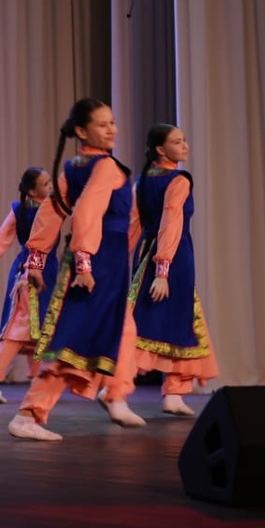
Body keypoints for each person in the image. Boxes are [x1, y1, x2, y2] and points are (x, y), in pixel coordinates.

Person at [9, 98, 143, 441]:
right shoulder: (105, 167)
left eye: (112, 122)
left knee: (124, 328)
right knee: (72, 341)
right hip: (96, 261)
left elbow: (52, 211)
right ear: (82, 131)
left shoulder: (75, 166)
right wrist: (83, 262)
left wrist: (36, 260)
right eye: (102, 124)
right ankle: (28, 414)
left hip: (108, 260)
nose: (111, 129)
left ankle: (116, 394)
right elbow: (83, 212)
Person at [111, 124, 218, 415]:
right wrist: (163, 271)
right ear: (161, 149)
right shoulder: (178, 180)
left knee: (168, 320)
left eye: (184, 140)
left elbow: (132, 225)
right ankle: (119, 386)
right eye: (177, 142)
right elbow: (170, 222)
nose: (185, 146)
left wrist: (119, 259)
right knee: (163, 321)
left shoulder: (143, 180)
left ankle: (174, 392)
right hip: (172, 256)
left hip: (150, 253)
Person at [0, 167, 59, 404]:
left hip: (39, 270)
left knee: (39, 327)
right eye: (46, 184)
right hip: (32, 273)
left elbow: (1, 236)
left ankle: (39, 380)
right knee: (21, 326)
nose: (51, 186)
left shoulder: (25, 209)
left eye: (50, 182)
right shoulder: (41, 210)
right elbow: (7, 237)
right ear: (32, 191)